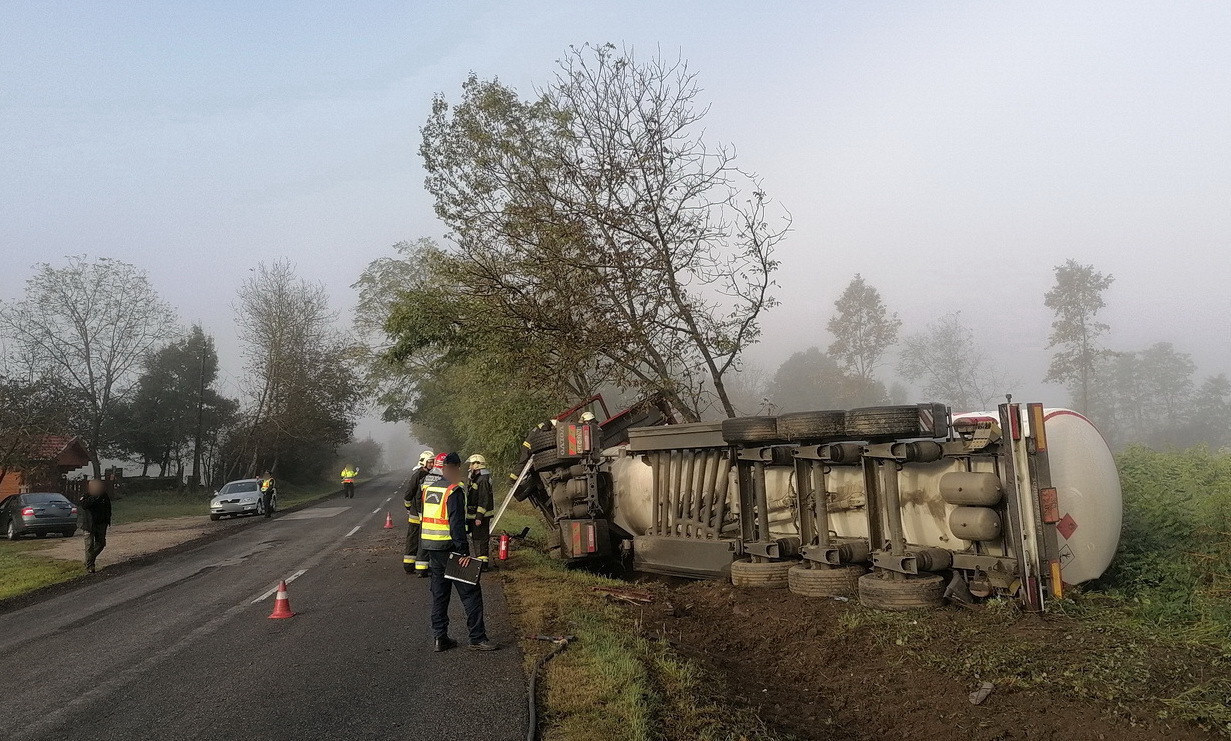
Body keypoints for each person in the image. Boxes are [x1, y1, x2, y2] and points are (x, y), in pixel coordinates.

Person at [420, 452, 496, 652]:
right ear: (454, 468)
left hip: (431, 548)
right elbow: (456, 525)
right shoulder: (453, 491)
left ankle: (440, 638)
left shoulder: (430, 489)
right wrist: (463, 552)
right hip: (450, 549)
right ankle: (477, 638)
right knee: (471, 591)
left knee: (440, 594)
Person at [402, 449, 435, 576]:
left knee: (413, 539)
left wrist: (409, 508)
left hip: (417, 513)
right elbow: (409, 494)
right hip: (418, 514)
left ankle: (411, 566)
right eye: (430, 462)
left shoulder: (424, 474)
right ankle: (413, 566)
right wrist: (409, 507)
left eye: (432, 462)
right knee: (417, 540)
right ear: (423, 462)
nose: (431, 465)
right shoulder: (418, 475)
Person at [466, 454, 494, 567]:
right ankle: (480, 561)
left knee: (481, 539)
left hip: (481, 516)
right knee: (476, 538)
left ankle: (482, 564)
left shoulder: (483, 479)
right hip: (474, 514)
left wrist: (479, 517)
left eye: (471, 464)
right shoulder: (477, 477)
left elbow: (483, 500)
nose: (470, 466)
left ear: (477, 465)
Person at [78, 479, 112, 574]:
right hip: (89, 525)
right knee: (89, 546)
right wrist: (93, 497)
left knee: (101, 544)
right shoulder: (85, 496)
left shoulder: (104, 496)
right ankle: (90, 566)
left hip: (101, 524)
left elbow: (108, 508)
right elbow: (84, 505)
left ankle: (89, 560)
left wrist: (107, 520)